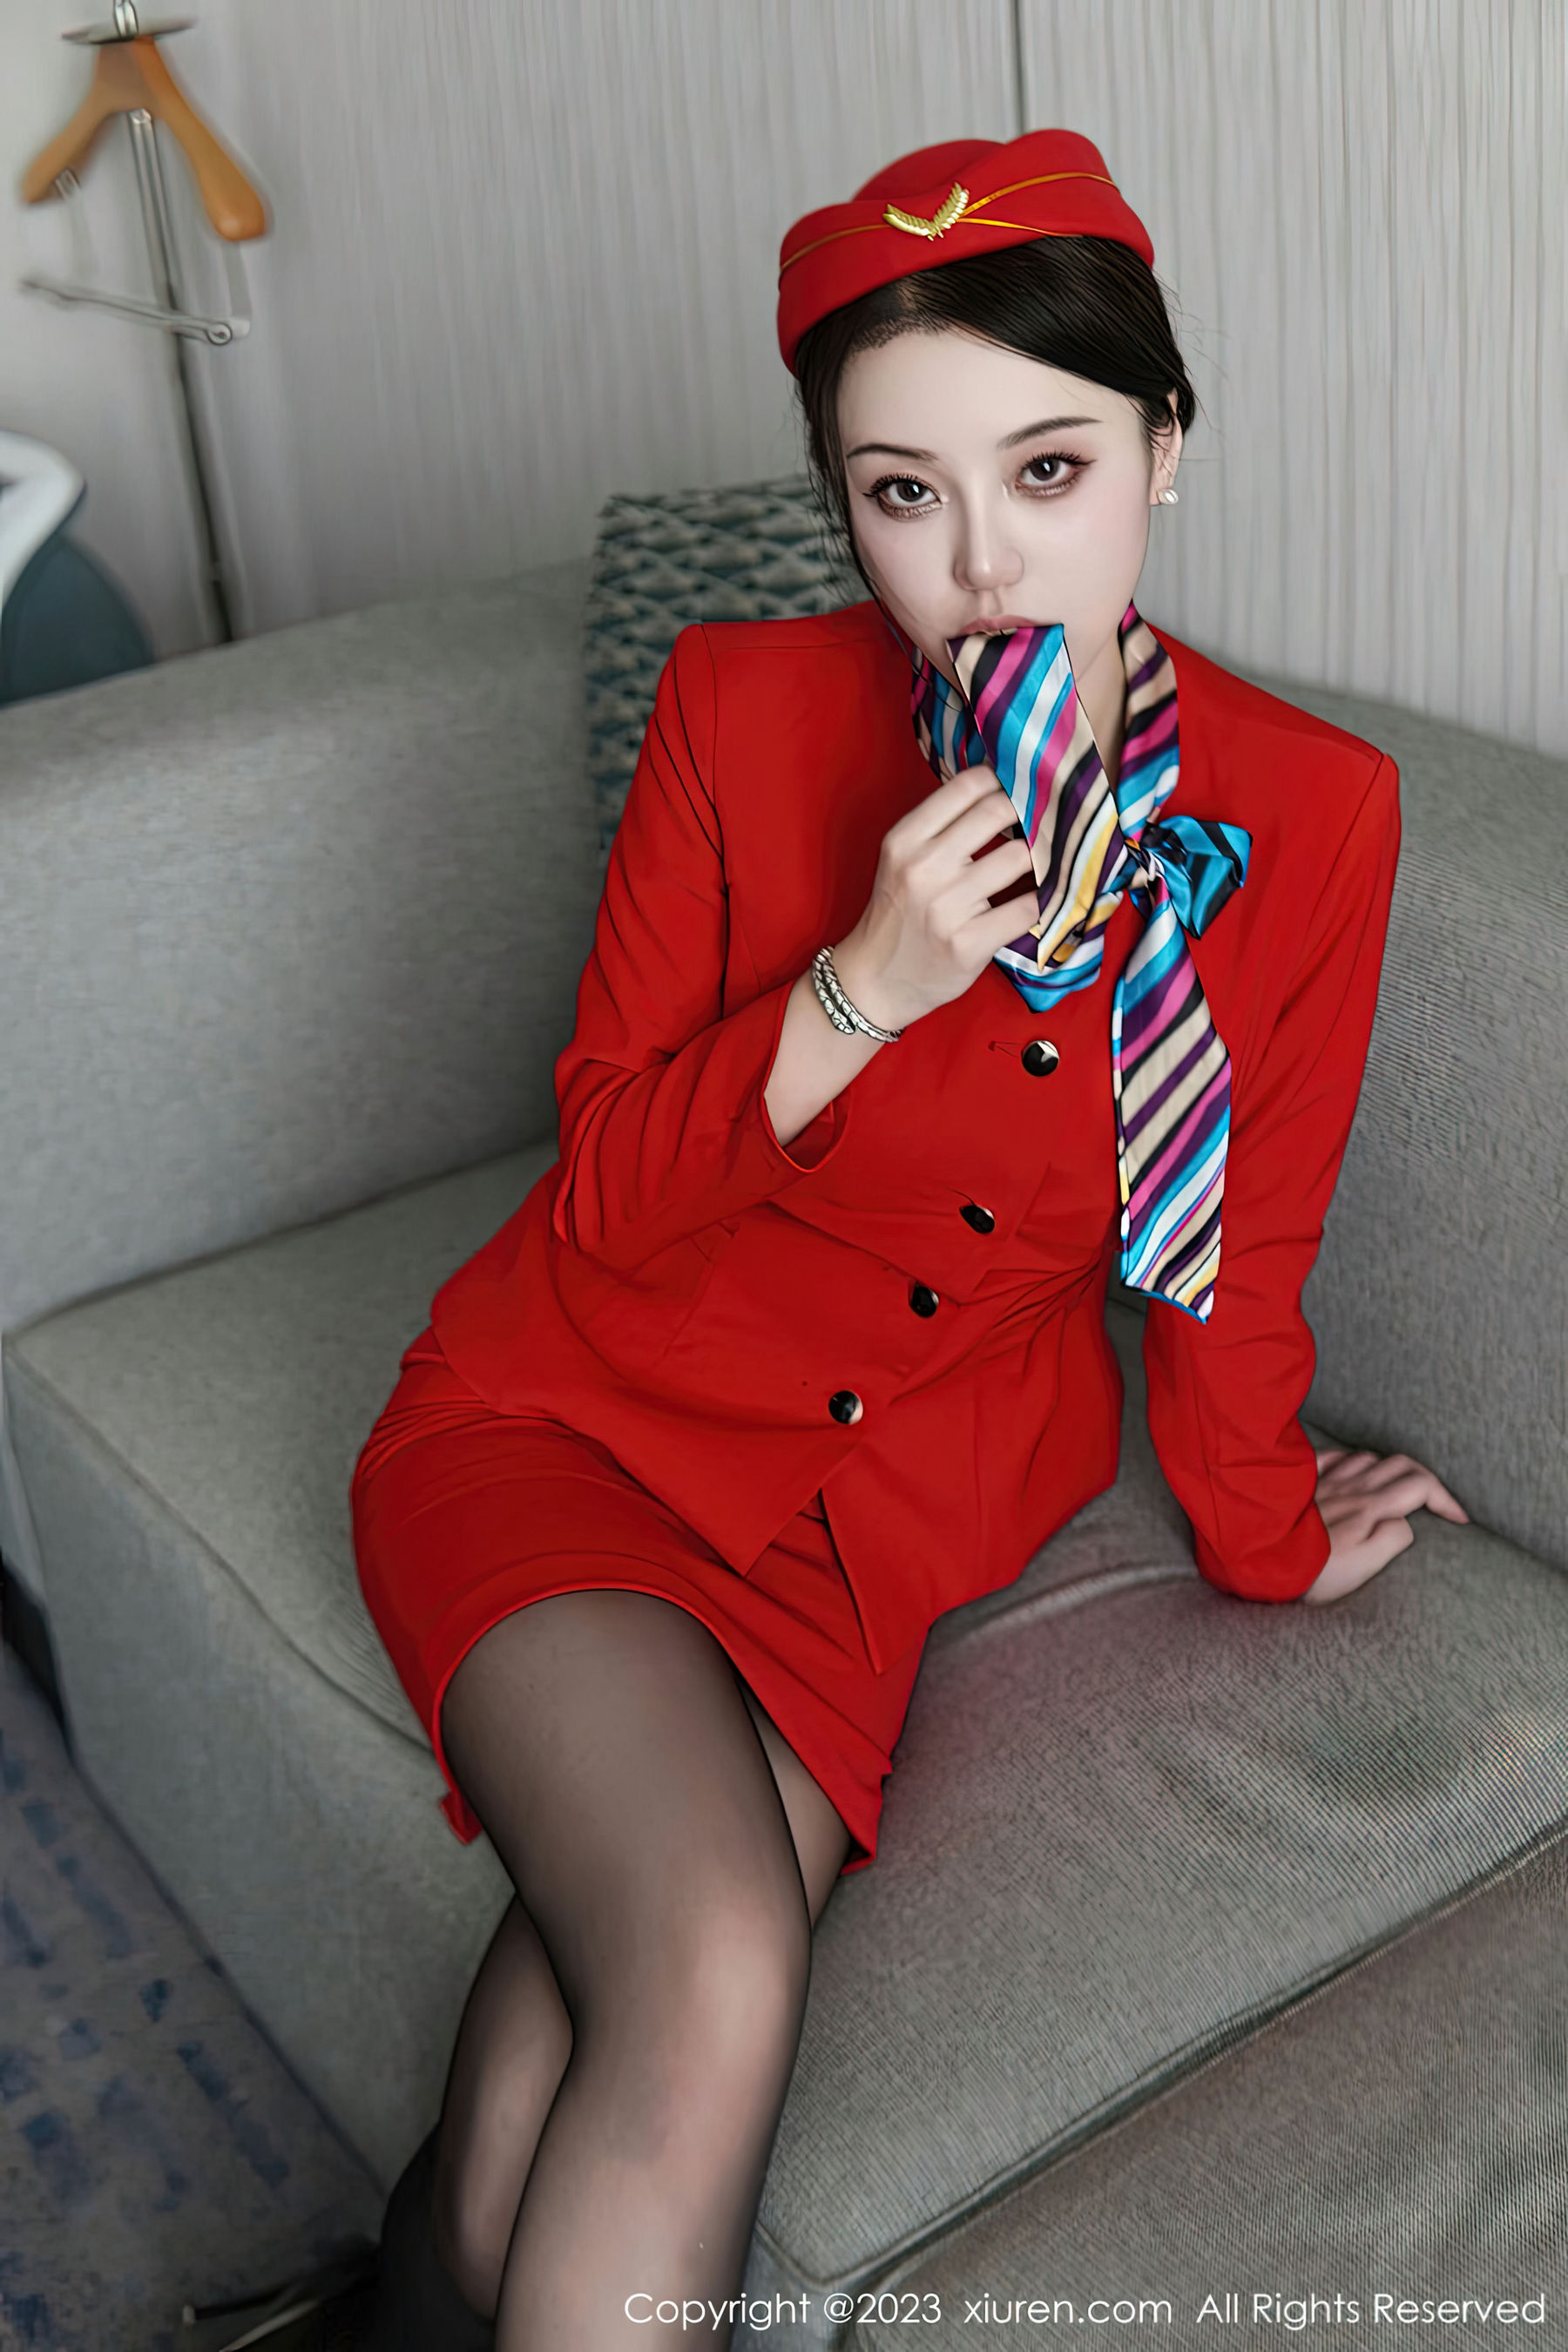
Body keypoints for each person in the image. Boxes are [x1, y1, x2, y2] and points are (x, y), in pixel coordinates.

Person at [350, 127, 1466, 2351]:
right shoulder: (737, 712)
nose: (978, 564)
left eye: (1048, 470)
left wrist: (1266, 1538)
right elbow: (606, 1192)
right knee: (709, 1965)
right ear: (839, 499)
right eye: (900, 492)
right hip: (565, 1426)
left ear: (1166, 447)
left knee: (529, 2115)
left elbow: (1240, 1255)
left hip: (868, 1531)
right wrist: (859, 988)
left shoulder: (1314, 811)